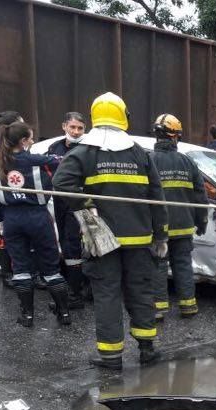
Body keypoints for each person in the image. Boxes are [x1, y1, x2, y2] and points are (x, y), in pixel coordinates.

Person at [53, 92, 168, 369]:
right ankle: (147, 349)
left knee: (107, 294)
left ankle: (111, 356)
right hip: (139, 240)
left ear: (94, 117)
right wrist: (161, 234)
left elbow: (60, 183)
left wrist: (88, 205)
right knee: (140, 291)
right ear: (123, 116)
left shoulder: (83, 152)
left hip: (102, 241)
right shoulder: (140, 153)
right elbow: (157, 196)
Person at [0, 122, 71, 327]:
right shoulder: (41, 161)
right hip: (38, 217)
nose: (33, 141)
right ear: (23, 141)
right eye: (31, 138)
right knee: (51, 266)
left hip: (12, 220)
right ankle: (64, 314)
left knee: (21, 268)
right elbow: (65, 163)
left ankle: (27, 316)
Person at [150, 114, 208, 320]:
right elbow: (201, 196)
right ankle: (188, 306)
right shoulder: (188, 162)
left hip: (158, 228)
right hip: (184, 226)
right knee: (183, 265)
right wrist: (202, 222)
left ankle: (158, 309)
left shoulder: (149, 160)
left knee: (158, 265)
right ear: (175, 137)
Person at [45, 112, 88, 307]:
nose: (76, 132)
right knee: (63, 244)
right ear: (64, 126)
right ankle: (69, 288)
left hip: (79, 204)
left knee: (73, 246)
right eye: (73, 127)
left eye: (80, 128)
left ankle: (76, 295)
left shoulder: (89, 148)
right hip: (58, 202)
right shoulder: (54, 147)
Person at [0, 111, 24, 288]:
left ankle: (13, 272)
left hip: (9, 196)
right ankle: (7, 273)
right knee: (2, 238)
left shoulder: (1, 143)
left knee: (8, 238)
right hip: (4, 198)